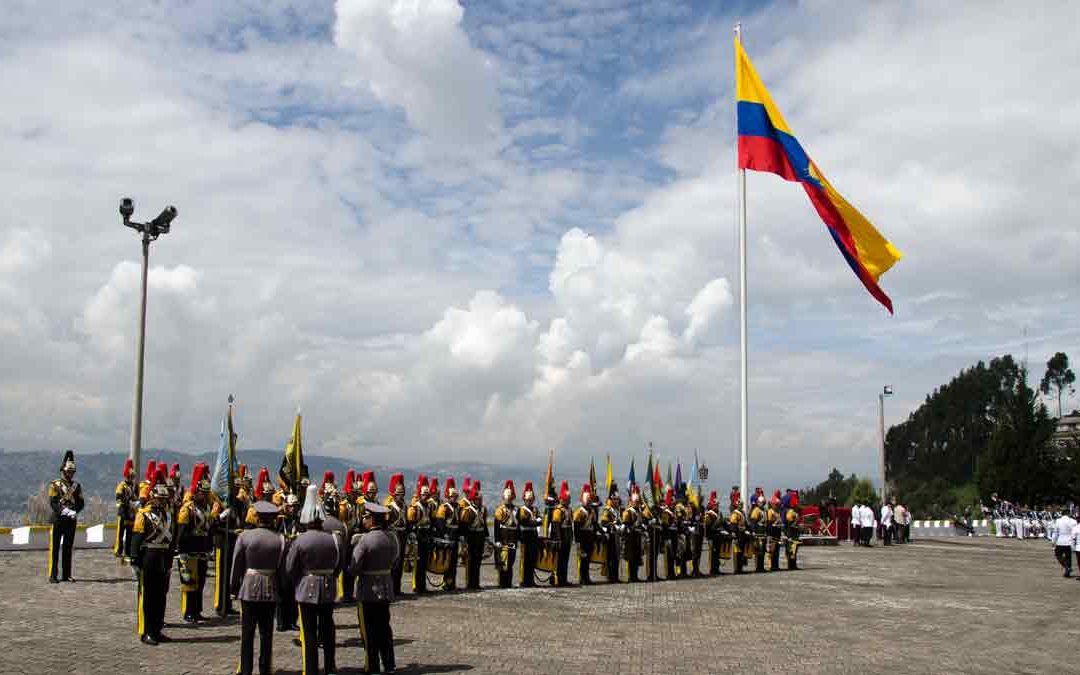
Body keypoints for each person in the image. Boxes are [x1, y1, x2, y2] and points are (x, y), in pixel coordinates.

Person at [286, 485, 341, 675]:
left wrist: (298, 581)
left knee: (309, 633)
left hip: (306, 587)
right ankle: (330, 667)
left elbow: (290, 567)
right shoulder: (333, 539)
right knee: (328, 630)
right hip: (327, 587)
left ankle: (310, 669)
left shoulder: (300, 540)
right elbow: (339, 563)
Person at [231, 501, 285, 675]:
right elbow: (283, 569)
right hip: (270, 587)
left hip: (248, 588)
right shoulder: (280, 539)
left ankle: (246, 670)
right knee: (266, 634)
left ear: (257, 517)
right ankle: (264, 670)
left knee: (247, 634)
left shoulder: (245, 537)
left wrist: (233, 587)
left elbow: (237, 564)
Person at [351, 502, 400, 675]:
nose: (363, 520)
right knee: (385, 628)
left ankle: (373, 666)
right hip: (386, 587)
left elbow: (354, 567)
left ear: (372, 519)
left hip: (368, 589)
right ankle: (389, 664)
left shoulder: (364, 540)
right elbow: (395, 560)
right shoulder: (392, 537)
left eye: (365, 517)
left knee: (369, 631)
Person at [132, 474, 174, 645]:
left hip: (163, 557)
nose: (163, 501)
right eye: (160, 498)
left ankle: (157, 629)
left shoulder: (167, 515)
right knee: (149, 596)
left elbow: (170, 541)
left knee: (161, 596)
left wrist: (170, 561)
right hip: (149, 556)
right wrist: (135, 560)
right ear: (152, 497)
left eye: (164, 498)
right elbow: (136, 539)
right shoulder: (144, 515)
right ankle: (148, 631)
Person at [177, 463, 216, 623]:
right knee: (189, 583)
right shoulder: (188, 509)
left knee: (200, 582)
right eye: (203, 493)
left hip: (202, 550)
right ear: (197, 492)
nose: (206, 496)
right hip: (189, 551)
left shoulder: (205, 508)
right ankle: (188, 612)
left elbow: (208, 529)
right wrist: (182, 550)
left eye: (207, 493)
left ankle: (197, 610)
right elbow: (182, 532)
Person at [48, 450, 84, 583]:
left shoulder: (76, 486)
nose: (70, 474)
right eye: (68, 471)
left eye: (72, 472)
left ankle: (66, 574)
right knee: (55, 548)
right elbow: (53, 502)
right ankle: (53, 575)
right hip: (58, 519)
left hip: (70, 521)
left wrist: (74, 511)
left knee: (68, 548)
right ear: (63, 471)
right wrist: (64, 510)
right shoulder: (55, 485)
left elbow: (81, 502)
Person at [276, 492, 302, 633]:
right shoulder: (280, 520)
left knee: (293, 592)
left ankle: (292, 621)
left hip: (295, 558)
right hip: (282, 558)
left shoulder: (299, 521)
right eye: (291, 506)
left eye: (295, 507)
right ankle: (281, 621)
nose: (293, 509)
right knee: (281, 591)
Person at [459, 480, 488, 590]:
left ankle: (476, 583)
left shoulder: (483, 509)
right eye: (477, 499)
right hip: (471, 536)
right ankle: (470, 583)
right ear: (473, 499)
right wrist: (464, 539)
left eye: (480, 499)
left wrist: (486, 537)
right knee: (471, 561)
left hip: (480, 536)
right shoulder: (468, 510)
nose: (479, 501)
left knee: (478, 560)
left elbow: (484, 524)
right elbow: (464, 526)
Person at [406, 476, 433, 594]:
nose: (426, 496)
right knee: (418, 563)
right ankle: (417, 586)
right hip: (418, 534)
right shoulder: (415, 508)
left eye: (427, 495)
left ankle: (423, 586)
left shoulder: (429, 506)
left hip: (426, 534)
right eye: (424, 494)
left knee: (424, 562)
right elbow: (411, 523)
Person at [384, 473, 408, 596]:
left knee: (400, 562)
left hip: (403, 534)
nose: (401, 496)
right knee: (393, 563)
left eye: (402, 493)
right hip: (393, 535)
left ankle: (397, 589)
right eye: (399, 494)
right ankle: (391, 589)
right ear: (394, 494)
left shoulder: (404, 506)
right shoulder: (389, 507)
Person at [493, 480, 518, 589]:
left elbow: (518, 525)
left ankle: (508, 582)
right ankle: (502, 583)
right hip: (503, 538)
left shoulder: (517, 510)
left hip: (513, 539)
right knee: (503, 562)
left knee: (511, 562)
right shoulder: (500, 510)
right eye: (507, 498)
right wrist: (497, 540)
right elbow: (496, 526)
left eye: (510, 498)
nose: (509, 499)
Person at [516, 481, 540, 587]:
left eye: (531, 500)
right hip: (525, 536)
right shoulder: (521, 510)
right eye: (528, 500)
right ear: (524, 500)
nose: (529, 502)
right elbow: (524, 521)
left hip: (533, 535)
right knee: (525, 560)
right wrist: (534, 521)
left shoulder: (535, 509)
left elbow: (540, 520)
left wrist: (533, 521)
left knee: (532, 559)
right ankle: (524, 580)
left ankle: (531, 580)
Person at [571, 483, 596, 586]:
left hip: (589, 537)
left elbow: (594, 525)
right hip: (582, 538)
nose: (589, 503)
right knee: (583, 559)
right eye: (588, 501)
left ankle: (587, 577)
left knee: (588, 559)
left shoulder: (592, 511)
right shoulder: (579, 512)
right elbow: (576, 528)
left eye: (590, 501)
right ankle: (582, 578)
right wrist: (578, 541)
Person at [621, 485, 646, 582]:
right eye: (635, 502)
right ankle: (631, 576)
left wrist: (643, 526)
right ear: (631, 502)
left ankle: (635, 575)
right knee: (631, 558)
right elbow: (626, 525)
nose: (636, 503)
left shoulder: (639, 511)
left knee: (637, 557)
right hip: (630, 537)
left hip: (637, 537)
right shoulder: (628, 512)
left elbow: (642, 521)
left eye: (637, 502)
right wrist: (633, 529)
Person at [114, 458, 137, 562]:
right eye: (130, 476)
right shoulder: (121, 485)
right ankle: (118, 550)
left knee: (129, 534)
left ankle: (127, 552)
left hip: (131, 513)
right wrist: (128, 503)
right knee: (120, 533)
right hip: (123, 512)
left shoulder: (134, 486)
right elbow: (118, 497)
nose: (131, 478)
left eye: (132, 476)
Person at [599, 483, 622, 583]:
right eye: (615, 499)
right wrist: (613, 525)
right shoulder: (607, 510)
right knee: (611, 557)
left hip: (617, 536)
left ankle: (615, 576)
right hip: (611, 536)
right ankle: (610, 576)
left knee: (617, 556)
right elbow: (604, 523)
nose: (617, 501)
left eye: (617, 499)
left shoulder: (617, 510)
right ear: (611, 500)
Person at [703, 491, 725, 575]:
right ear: (712, 506)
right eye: (716, 505)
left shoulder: (719, 514)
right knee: (712, 553)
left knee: (717, 553)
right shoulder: (709, 515)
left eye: (718, 505)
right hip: (712, 536)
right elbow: (708, 527)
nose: (717, 506)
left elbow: (722, 524)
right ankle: (712, 569)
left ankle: (716, 569)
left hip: (718, 536)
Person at [1051, 509, 1077, 577]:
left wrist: (1053, 541)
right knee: (1068, 556)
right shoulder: (1073, 521)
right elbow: (1075, 532)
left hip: (1060, 541)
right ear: (1068, 514)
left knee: (1058, 554)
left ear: (1062, 514)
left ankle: (1066, 566)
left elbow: (1055, 532)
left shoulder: (1058, 521)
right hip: (1069, 541)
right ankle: (1068, 569)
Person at [728, 490, 748, 574]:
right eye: (740, 505)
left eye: (742, 505)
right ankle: (736, 569)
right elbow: (733, 525)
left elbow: (745, 523)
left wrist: (749, 530)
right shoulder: (735, 514)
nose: (741, 506)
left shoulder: (742, 513)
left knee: (742, 552)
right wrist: (734, 535)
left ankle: (740, 568)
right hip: (737, 534)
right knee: (737, 552)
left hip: (742, 534)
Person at [766, 491, 783, 571]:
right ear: (772, 504)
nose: (778, 506)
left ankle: (776, 565)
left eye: (778, 505)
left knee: (777, 550)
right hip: (772, 534)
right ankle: (771, 565)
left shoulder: (777, 512)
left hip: (777, 534)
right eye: (776, 505)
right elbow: (769, 524)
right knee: (771, 551)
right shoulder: (770, 512)